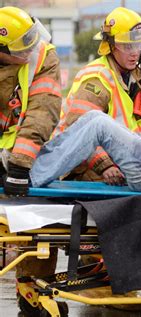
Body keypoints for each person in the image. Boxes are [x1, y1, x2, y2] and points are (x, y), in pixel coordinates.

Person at [54, 6, 141, 187]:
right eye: (128, 46)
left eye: (139, 45)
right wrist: (104, 165)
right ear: (111, 46)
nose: (135, 52)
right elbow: (80, 131)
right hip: (87, 166)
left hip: (126, 161)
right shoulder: (97, 77)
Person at [0, 6, 62, 281]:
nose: (28, 51)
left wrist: (19, 165)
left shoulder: (42, 55)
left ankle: (33, 289)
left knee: (38, 218)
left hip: (25, 154)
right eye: (19, 49)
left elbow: (42, 110)